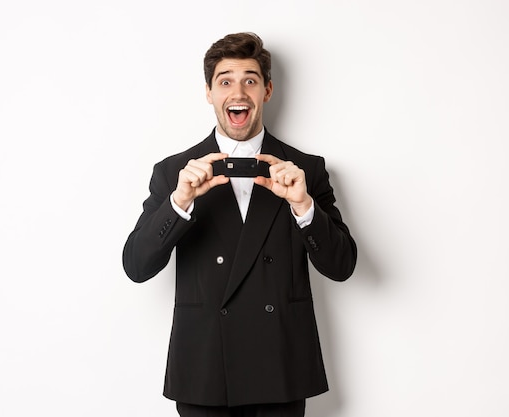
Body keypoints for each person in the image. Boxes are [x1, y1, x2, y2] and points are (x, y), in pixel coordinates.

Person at [123, 32, 357, 417]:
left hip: (280, 371)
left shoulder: (306, 169)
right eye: (225, 80)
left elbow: (342, 267)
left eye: (250, 80)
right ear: (209, 92)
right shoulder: (172, 173)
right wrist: (179, 202)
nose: (238, 91)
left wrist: (304, 207)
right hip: (205, 373)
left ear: (267, 90)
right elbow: (136, 266)